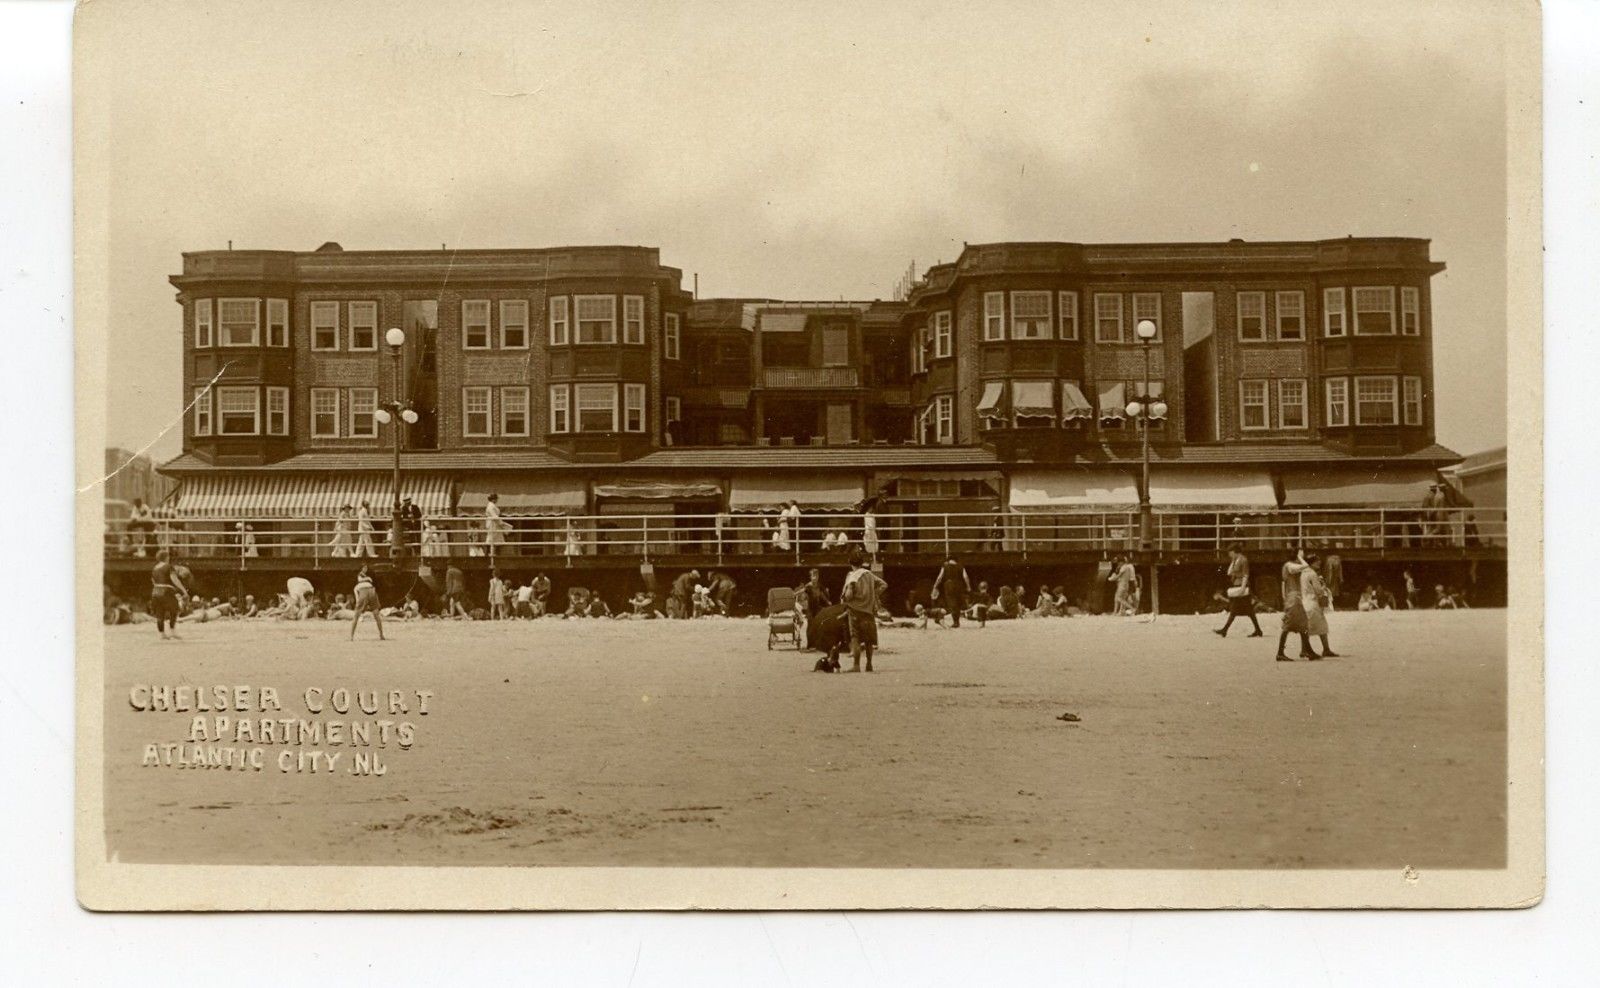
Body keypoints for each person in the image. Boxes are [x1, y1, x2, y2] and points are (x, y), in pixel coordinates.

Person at [840, 550, 889, 673]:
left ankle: (856, 665)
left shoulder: (852, 576)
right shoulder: (869, 574)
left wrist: (845, 598)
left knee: (855, 637)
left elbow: (849, 595)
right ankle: (869, 664)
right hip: (868, 610)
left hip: (855, 610)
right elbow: (884, 584)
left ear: (850, 562)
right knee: (868, 640)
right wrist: (874, 594)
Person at [1275, 550, 1317, 662]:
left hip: (1294, 598)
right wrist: (1301, 558)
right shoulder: (1289, 565)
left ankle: (1307, 650)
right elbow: (1305, 566)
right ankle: (1280, 653)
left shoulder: (1289, 565)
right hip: (1293, 598)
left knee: (1303, 625)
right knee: (1288, 625)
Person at [1214, 545, 1263, 638]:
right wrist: (1232, 562)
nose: (1229, 554)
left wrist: (1243, 588)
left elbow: (1245, 575)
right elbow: (1229, 572)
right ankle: (1258, 630)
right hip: (1237, 585)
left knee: (1234, 609)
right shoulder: (1236, 560)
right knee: (1249, 611)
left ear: (1234, 551)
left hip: (1241, 586)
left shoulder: (1243, 560)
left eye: (1230, 552)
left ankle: (1224, 630)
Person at [149, 549, 187, 639]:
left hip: (155, 592)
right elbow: (174, 579)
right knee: (175, 608)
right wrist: (183, 590)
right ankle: (172, 631)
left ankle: (162, 634)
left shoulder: (154, 568)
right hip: (166, 591)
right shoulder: (168, 566)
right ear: (166, 557)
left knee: (159, 613)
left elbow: (153, 581)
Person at [931, 555, 971, 627]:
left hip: (949, 585)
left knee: (951, 602)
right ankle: (956, 621)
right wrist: (968, 586)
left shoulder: (945, 566)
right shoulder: (960, 566)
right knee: (957, 603)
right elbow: (965, 577)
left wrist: (935, 586)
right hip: (959, 585)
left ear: (948, 560)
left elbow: (940, 577)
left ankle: (954, 621)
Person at [349, 565, 386, 640]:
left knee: (356, 616)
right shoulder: (366, 579)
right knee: (376, 614)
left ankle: (351, 636)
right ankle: (381, 635)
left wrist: (358, 605)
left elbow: (357, 598)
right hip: (372, 590)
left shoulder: (356, 587)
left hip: (363, 592)